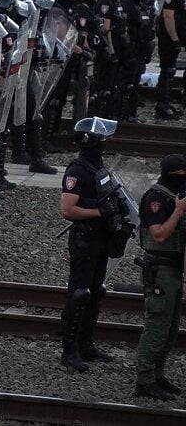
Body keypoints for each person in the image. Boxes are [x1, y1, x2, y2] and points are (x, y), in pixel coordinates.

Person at [59, 117, 133, 374]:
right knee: (79, 293)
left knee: (95, 290)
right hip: (84, 239)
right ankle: (69, 351)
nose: (105, 141)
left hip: (100, 238)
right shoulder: (77, 171)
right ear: (92, 142)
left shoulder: (97, 167)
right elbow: (67, 210)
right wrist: (100, 213)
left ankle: (85, 344)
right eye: (101, 138)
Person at [134, 154, 186, 401]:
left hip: (174, 270)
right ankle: (144, 380)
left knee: (170, 329)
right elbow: (159, 236)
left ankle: (158, 374)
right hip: (160, 270)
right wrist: (178, 211)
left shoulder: (176, 196)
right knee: (157, 326)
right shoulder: (157, 198)